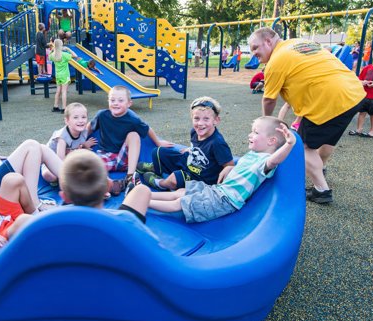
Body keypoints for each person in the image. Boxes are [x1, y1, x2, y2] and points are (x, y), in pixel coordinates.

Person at [249, 27, 366, 204]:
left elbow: (269, 99)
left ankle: (322, 190)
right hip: (353, 93)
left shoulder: (275, 62)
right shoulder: (301, 43)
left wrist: (267, 123)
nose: (254, 53)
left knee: (303, 147)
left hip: (328, 99)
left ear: (268, 41)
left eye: (255, 47)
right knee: (326, 141)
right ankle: (320, 168)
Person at [147, 116, 296, 223]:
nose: (250, 135)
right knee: (181, 192)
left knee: (180, 203)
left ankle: (143, 202)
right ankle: (146, 195)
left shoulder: (264, 161)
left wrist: (289, 144)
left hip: (225, 201)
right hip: (217, 190)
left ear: (271, 141)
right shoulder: (254, 154)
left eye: (256, 133)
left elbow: (274, 160)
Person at [136, 97, 234, 191]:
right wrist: (191, 149)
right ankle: (156, 168)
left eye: (206, 119)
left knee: (175, 178)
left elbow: (229, 165)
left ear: (216, 120)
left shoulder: (217, 143)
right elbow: (197, 147)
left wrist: (226, 171)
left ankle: (161, 183)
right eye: (196, 118)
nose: (200, 123)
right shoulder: (194, 132)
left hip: (201, 178)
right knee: (158, 152)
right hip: (190, 162)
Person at [89, 85, 173, 188]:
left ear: (129, 103)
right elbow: (89, 127)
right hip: (105, 156)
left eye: (120, 100)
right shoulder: (102, 115)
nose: (115, 103)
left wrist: (158, 143)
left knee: (133, 135)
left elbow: (147, 129)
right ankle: (111, 184)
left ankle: (130, 176)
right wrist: (83, 142)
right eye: (112, 100)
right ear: (108, 101)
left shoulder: (132, 118)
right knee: (92, 165)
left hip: (124, 160)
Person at [59, 150, 154, 236]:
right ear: (109, 186)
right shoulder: (126, 222)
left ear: (64, 197)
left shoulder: (54, 224)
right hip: (119, 231)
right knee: (141, 190)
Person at [41, 103, 97, 183]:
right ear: (67, 121)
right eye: (75, 117)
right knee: (50, 176)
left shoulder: (84, 131)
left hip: (68, 156)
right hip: (51, 161)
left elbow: (78, 143)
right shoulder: (62, 138)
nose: (80, 121)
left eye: (83, 117)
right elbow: (59, 161)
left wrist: (85, 144)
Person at [50, 39, 78, 113]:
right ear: (61, 46)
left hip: (58, 75)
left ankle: (55, 106)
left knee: (58, 91)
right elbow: (75, 55)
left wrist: (53, 49)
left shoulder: (53, 55)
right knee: (64, 91)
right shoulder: (64, 55)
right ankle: (64, 108)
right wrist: (68, 49)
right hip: (65, 75)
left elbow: (49, 56)